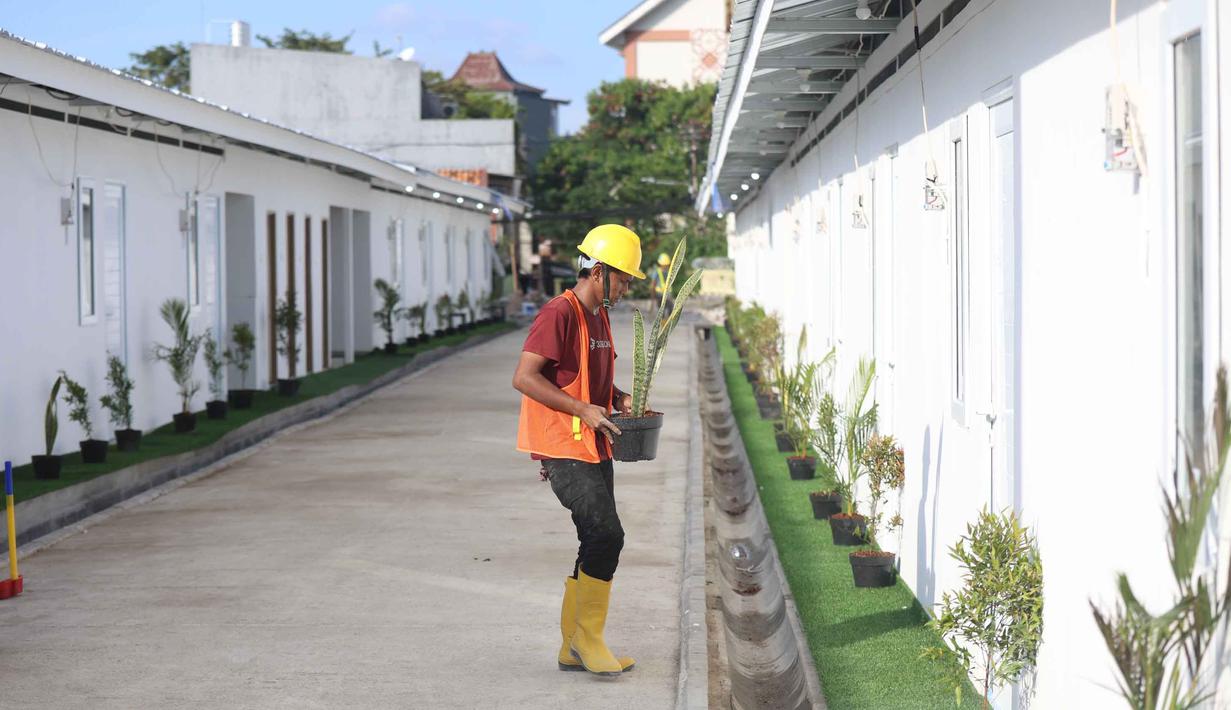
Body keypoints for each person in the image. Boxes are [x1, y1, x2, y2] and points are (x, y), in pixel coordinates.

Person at [511, 224, 646, 676]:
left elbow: (588, 377)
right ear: (599, 271)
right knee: (607, 534)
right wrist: (582, 410)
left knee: (595, 536)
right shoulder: (559, 313)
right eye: (624, 277)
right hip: (562, 445)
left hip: (593, 442)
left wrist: (619, 398)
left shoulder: (599, 315)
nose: (626, 287)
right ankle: (588, 639)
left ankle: (574, 644)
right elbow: (526, 377)